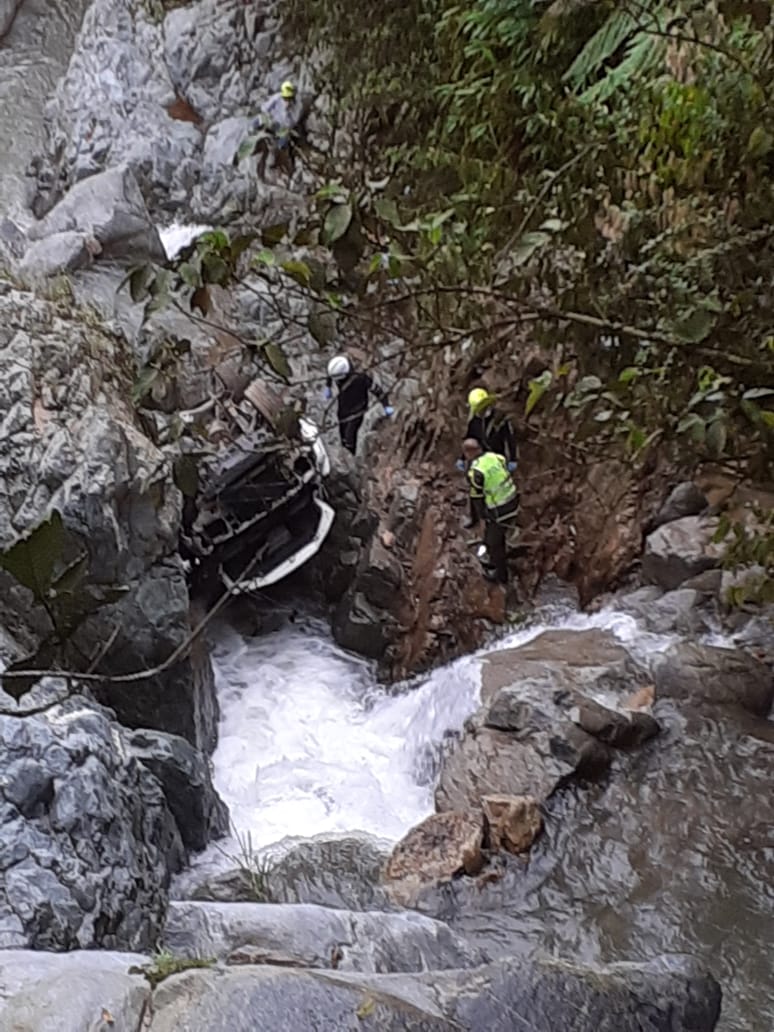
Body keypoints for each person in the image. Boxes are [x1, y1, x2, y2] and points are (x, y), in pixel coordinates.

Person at [456, 388, 517, 527]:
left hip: (496, 457)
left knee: (500, 486)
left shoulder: (499, 420)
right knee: (475, 489)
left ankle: (502, 516)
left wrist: (513, 459)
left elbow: (510, 439)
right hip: (479, 458)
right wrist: (462, 458)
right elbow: (469, 440)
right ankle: (476, 517)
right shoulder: (475, 422)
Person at [462, 437, 519, 585]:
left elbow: (476, 497)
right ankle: (497, 559)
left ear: (469, 453)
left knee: (494, 542)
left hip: (499, 509)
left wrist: (483, 516)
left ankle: (500, 575)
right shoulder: (496, 457)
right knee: (498, 535)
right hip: (512, 501)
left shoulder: (476, 472)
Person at [324, 355, 394, 455]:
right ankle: (346, 451)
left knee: (350, 437)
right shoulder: (340, 370)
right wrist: (328, 386)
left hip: (358, 410)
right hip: (343, 408)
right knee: (342, 435)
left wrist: (386, 405)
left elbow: (377, 390)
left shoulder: (361, 378)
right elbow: (330, 375)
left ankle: (351, 454)